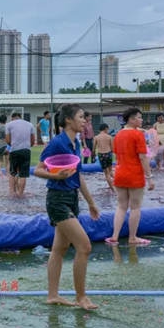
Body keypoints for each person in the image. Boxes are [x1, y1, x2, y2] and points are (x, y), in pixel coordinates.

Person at [33, 104, 100, 310]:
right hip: (58, 200)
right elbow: (37, 170)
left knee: (59, 248)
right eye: (81, 117)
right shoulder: (57, 143)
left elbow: (78, 175)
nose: (85, 120)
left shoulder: (75, 143)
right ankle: (81, 297)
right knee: (84, 246)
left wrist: (90, 203)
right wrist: (55, 175)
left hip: (71, 198)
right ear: (68, 120)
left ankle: (53, 295)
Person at [106, 107, 155, 246]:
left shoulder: (118, 134)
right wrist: (150, 177)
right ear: (132, 119)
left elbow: (117, 155)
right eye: (139, 117)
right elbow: (143, 158)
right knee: (135, 207)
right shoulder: (138, 135)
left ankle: (114, 236)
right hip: (134, 175)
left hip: (120, 174)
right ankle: (132, 237)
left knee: (121, 206)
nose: (142, 120)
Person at [5, 112, 35, 197]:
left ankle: (12, 192)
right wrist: (27, 146)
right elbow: (33, 140)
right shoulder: (29, 124)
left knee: (13, 172)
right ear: (20, 117)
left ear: (12, 118)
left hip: (14, 150)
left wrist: (14, 145)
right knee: (23, 174)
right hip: (26, 150)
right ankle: (20, 194)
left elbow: (7, 140)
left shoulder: (9, 125)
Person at [93, 123, 114, 191]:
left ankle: (113, 189)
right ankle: (119, 184)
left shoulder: (96, 137)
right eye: (108, 129)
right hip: (109, 154)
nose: (108, 130)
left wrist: (93, 155)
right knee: (111, 171)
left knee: (106, 174)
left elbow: (93, 149)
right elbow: (112, 149)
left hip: (101, 155)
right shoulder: (109, 137)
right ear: (105, 129)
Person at [0, 114, 9, 178]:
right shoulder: (7, 127)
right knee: (7, 162)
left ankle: (0, 174)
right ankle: (8, 174)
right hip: (6, 146)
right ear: (6, 120)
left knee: (0, 161)